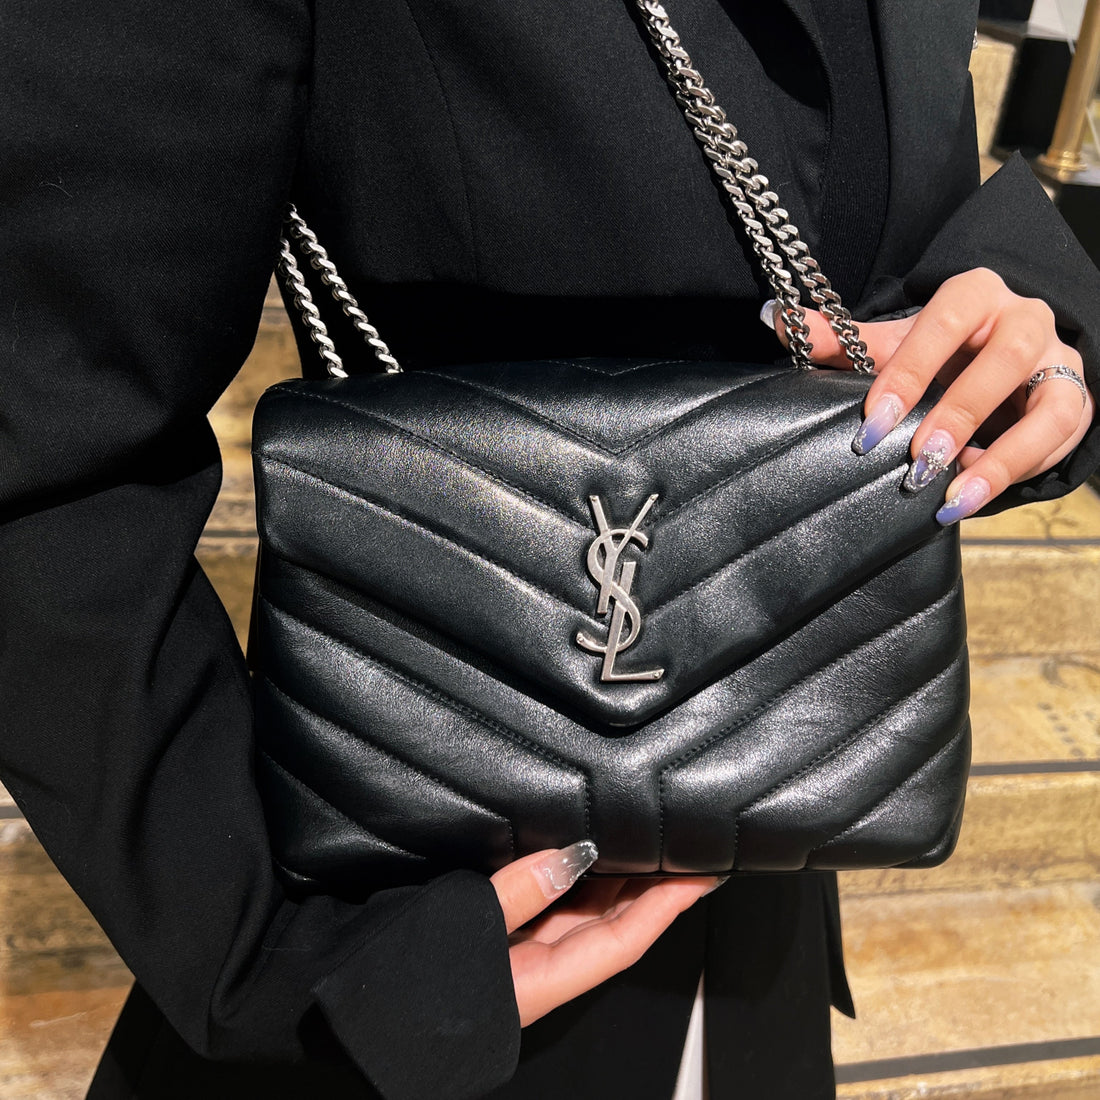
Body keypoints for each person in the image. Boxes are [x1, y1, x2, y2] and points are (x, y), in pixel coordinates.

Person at [2, 1, 1098, 1098]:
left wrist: (1024, 320)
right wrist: (265, 950)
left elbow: (885, 209)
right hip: (429, 920)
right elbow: (49, 435)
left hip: (771, 832)